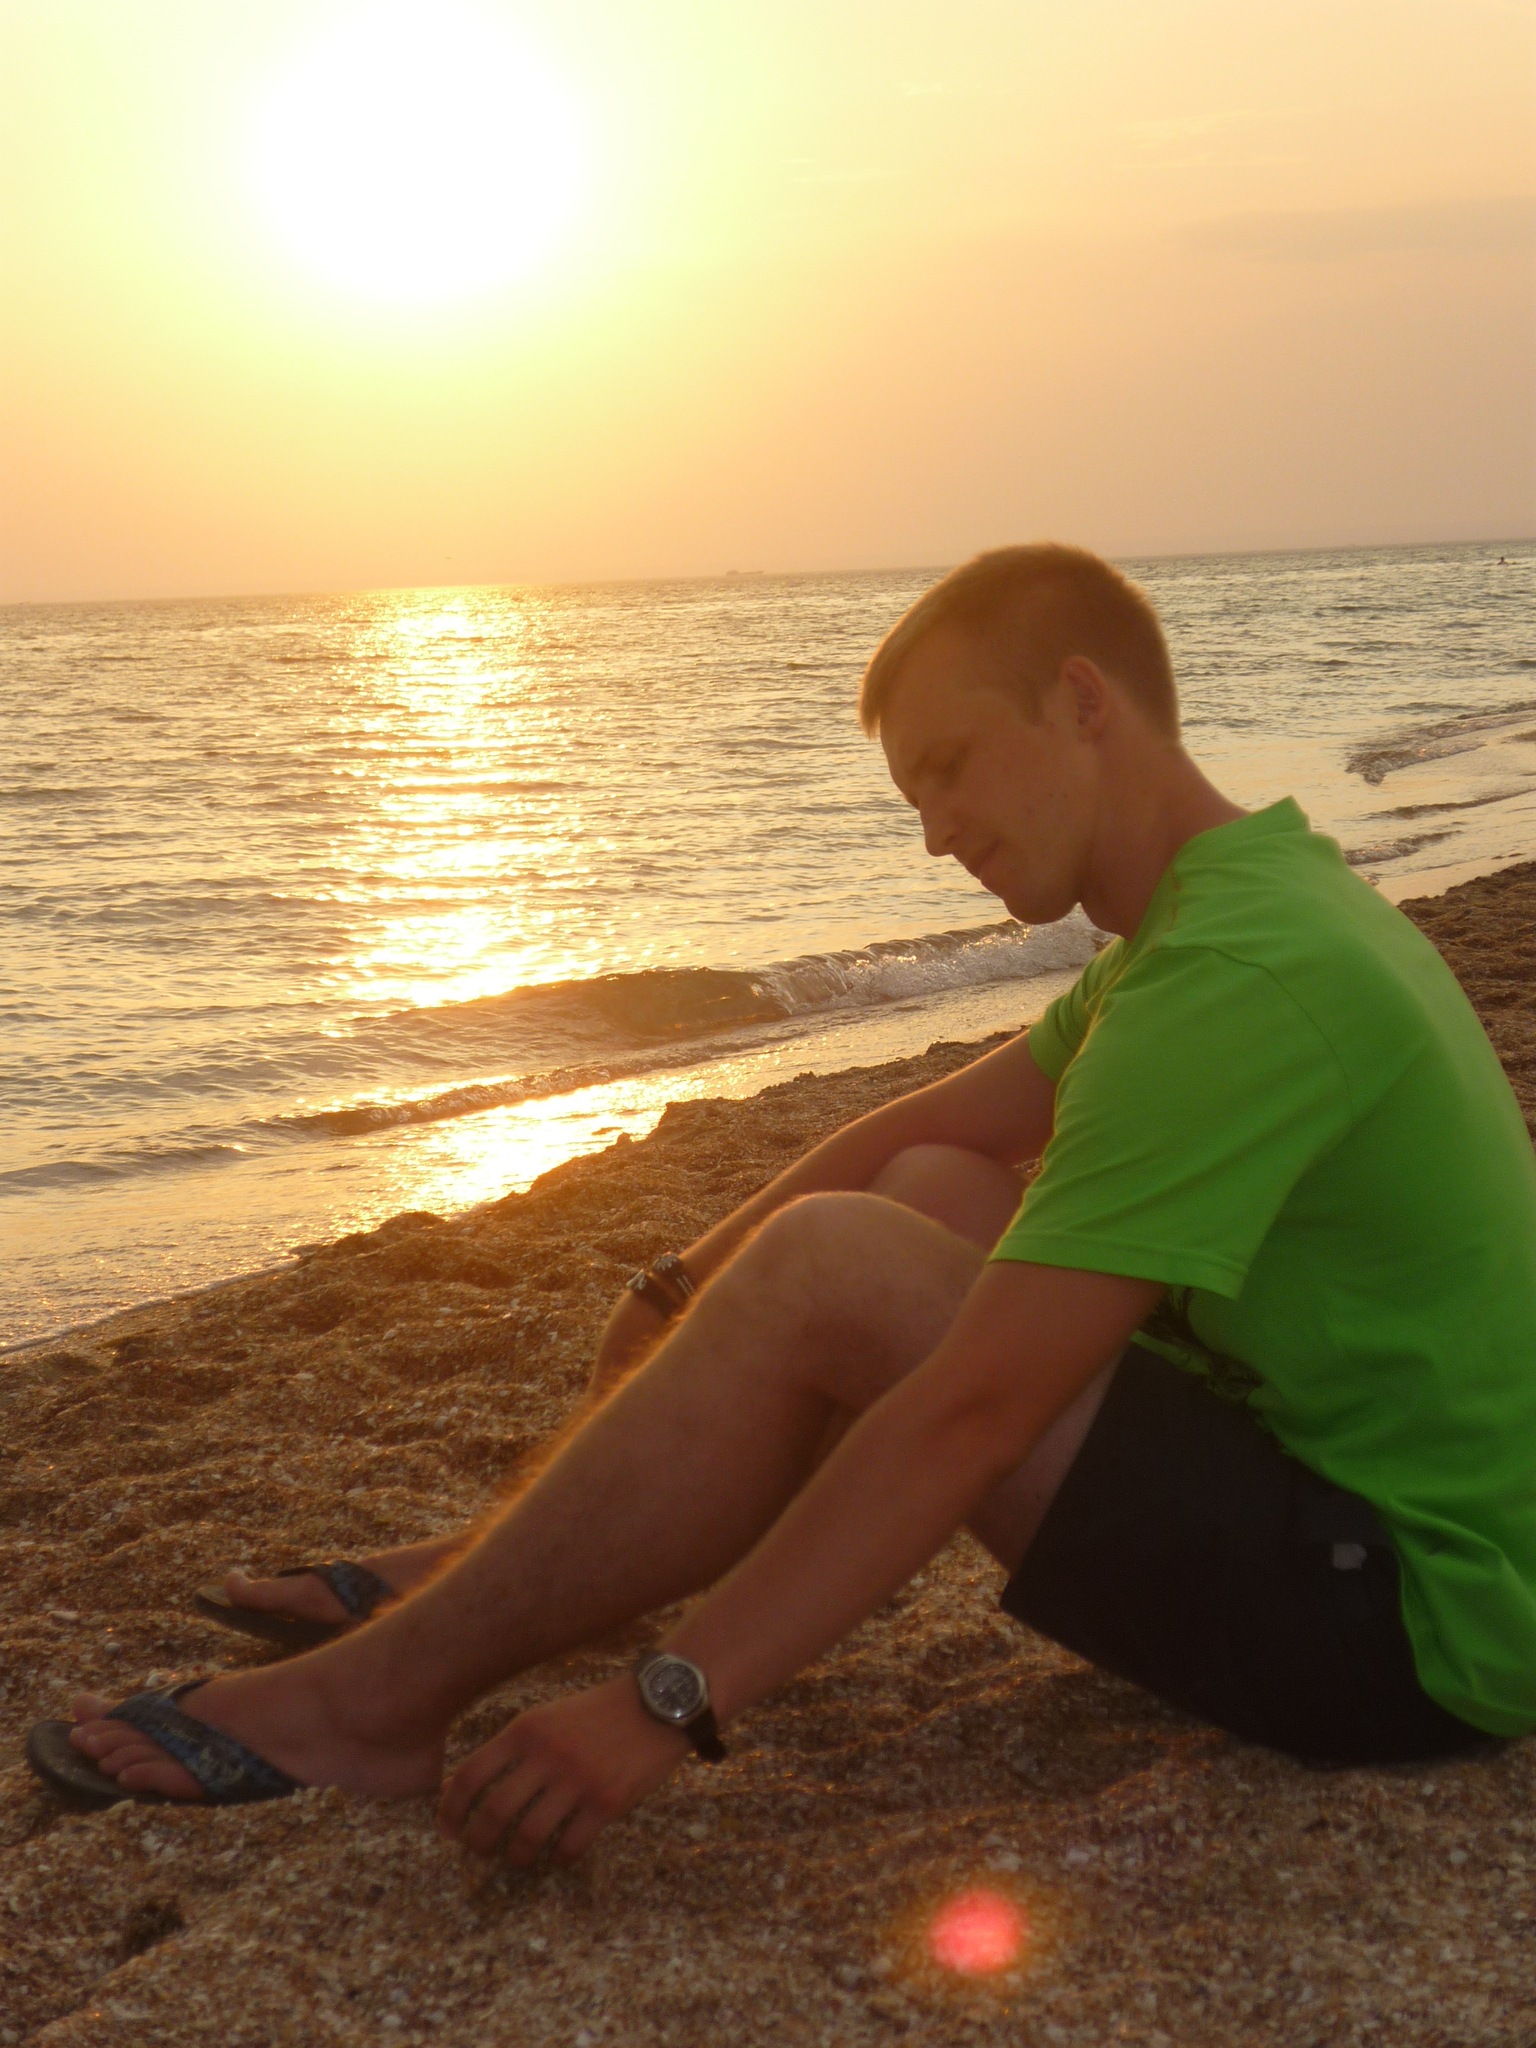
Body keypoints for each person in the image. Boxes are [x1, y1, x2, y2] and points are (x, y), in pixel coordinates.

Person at [31, 543, 1536, 1854]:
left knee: (835, 1267)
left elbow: (974, 1417)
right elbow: (924, 1127)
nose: (935, 831)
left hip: (1405, 1627)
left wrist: (665, 1703)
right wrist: (682, 1283)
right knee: (925, 1193)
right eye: (913, 793)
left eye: (952, 766)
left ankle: (369, 1706)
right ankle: (541, 1560)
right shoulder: (1224, 912)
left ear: (1085, 702)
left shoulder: (1233, 980)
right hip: (1354, 1511)